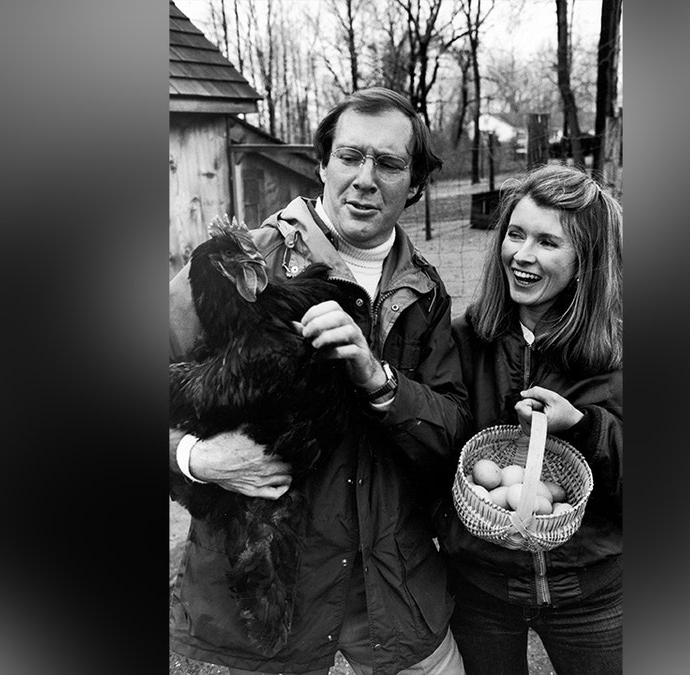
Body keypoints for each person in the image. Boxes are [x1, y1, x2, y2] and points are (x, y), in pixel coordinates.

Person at [168, 87, 471, 675]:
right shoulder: (235, 264)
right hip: (265, 580)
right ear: (322, 164)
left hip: (392, 587)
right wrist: (194, 457)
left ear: (415, 183)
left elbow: (451, 430)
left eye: (388, 163)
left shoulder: (425, 291)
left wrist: (380, 381)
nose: (365, 178)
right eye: (351, 156)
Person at [436, 164, 624, 675]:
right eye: (515, 235)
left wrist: (584, 426)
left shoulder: (620, 353)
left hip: (594, 592)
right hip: (481, 591)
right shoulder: (461, 342)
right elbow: (427, 448)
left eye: (547, 242)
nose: (522, 255)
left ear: (586, 260)